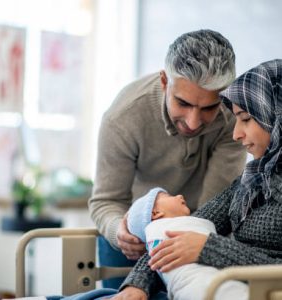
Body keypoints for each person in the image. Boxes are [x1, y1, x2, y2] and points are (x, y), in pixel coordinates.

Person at [88, 29, 246, 288]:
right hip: (130, 243)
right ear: (164, 81)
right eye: (183, 103)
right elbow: (106, 201)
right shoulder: (123, 118)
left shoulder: (234, 118)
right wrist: (121, 232)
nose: (194, 122)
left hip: (197, 232)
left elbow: (214, 209)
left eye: (208, 107)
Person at [115, 59, 282, 299]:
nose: (236, 133)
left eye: (245, 119)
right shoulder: (252, 181)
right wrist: (137, 284)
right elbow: (180, 230)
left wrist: (209, 248)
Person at [126, 187, 248, 300]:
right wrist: (137, 283)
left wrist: (208, 246)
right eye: (169, 196)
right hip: (201, 285)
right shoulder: (241, 187)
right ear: (155, 213)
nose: (179, 196)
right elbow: (158, 255)